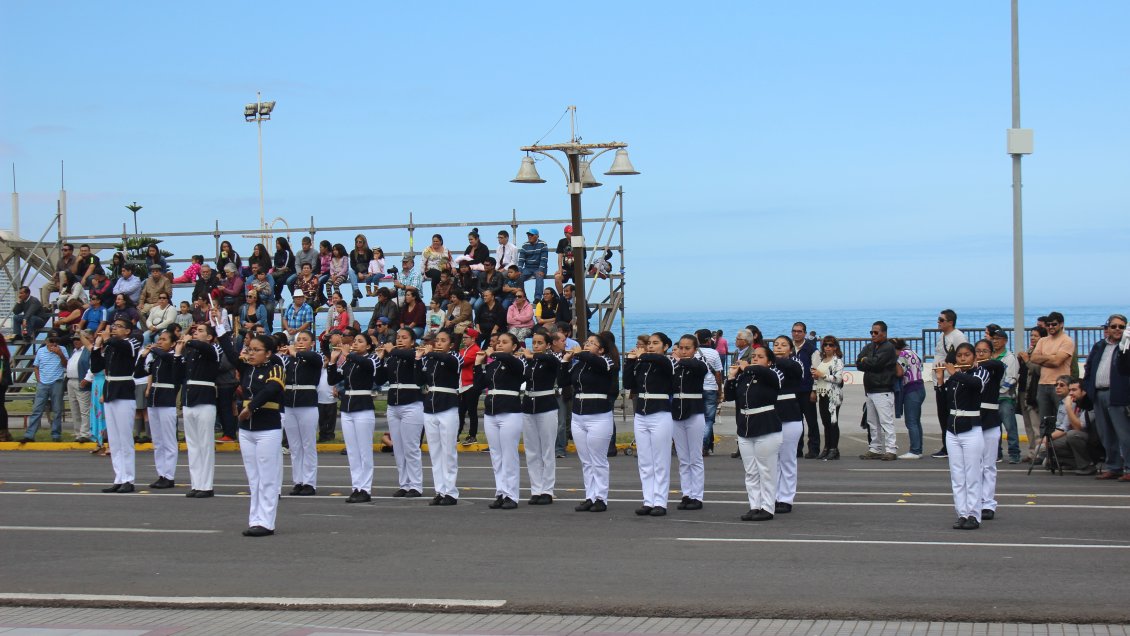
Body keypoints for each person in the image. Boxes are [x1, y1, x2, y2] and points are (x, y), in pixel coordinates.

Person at [231, 333, 285, 537]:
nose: (251, 353)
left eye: (257, 350)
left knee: (267, 477)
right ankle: (255, 519)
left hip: (267, 429)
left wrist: (251, 407)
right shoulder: (247, 369)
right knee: (254, 478)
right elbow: (229, 352)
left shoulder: (276, 368)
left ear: (268, 353)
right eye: (249, 349)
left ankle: (266, 522)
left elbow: (271, 390)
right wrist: (220, 327)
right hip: (247, 430)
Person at [724, 346, 784, 522]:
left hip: (766, 426)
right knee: (750, 471)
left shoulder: (773, 374)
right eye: (754, 356)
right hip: (746, 427)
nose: (755, 359)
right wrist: (732, 377)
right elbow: (729, 396)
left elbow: (764, 373)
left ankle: (767, 507)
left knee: (766, 470)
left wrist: (748, 367)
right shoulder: (745, 376)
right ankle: (754, 505)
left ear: (769, 361)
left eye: (760, 357)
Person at [565, 331, 619, 513]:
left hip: (598, 416)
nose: (586, 344)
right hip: (578, 415)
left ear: (601, 349)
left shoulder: (606, 361)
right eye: (586, 342)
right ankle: (590, 496)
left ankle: (601, 498)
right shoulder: (579, 364)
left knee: (598, 460)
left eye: (591, 343)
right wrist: (565, 361)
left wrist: (580, 353)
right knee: (586, 461)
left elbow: (597, 363)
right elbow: (564, 381)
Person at [624, 333, 676, 517]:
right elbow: (628, 383)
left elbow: (662, 363)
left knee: (660, 460)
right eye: (649, 343)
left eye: (656, 343)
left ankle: (660, 501)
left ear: (665, 346)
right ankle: (648, 500)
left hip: (660, 413)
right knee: (645, 460)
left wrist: (643, 355)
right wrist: (630, 362)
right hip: (641, 414)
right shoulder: (642, 363)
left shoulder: (668, 362)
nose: (651, 346)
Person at [473, 333, 526, 510]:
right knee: (496, 456)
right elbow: (479, 385)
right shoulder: (493, 364)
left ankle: (511, 495)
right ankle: (501, 492)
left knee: (509, 455)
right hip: (491, 413)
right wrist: (478, 365)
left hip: (509, 412)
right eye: (498, 342)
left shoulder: (517, 362)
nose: (500, 345)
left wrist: (493, 354)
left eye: (505, 342)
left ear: (514, 346)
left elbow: (508, 360)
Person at [174, 320, 226, 498]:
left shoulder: (213, 349)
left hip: (204, 399)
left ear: (209, 336)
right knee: (193, 445)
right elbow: (178, 374)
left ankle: (206, 485)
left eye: (201, 330)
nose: (196, 332)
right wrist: (178, 354)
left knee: (205, 444)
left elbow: (205, 348)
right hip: (189, 399)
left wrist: (189, 341)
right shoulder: (191, 352)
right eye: (195, 330)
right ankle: (196, 483)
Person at [90, 319, 142, 492]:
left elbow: (124, 348)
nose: (114, 329)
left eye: (119, 327)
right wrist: (97, 347)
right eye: (114, 326)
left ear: (127, 331)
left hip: (124, 392)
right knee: (114, 439)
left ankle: (129, 479)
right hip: (110, 390)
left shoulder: (132, 342)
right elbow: (96, 366)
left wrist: (107, 339)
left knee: (125, 438)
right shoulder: (111, 346)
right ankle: (119, 477)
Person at [328, 331, 380, 503]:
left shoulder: (372, 359)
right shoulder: (349, 361)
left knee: (364, 450)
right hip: (347, 407)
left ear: (368, 345)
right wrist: (333, 361)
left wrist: (348, 354)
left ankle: (365, 489)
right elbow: (332, 380)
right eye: (354, 341)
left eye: (360, 341)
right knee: (352, 451)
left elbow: (368, 366)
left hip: (363, 406)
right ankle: (356, 487)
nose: (355, 343)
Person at [942, 342, 988, 530]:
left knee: (973, 474)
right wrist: (941, 382)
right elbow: (944, 404)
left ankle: (974, 515)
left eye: (967, 355)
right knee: (957, 475)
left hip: (971, 429)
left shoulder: (980, 372)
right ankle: (962, 513)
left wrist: (955, 374)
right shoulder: (954, 378)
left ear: (974, 357)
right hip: (952, 430)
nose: (962, 358)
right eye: (959, 355)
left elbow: (976, 385)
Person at [376, 329, 426, 498]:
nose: (400, 340)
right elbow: (379, 379)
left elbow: (411, 357)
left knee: (411, 447)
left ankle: (416, 485)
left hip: (412, 404)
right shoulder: (392, 357)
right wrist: (381, 359)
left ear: (412, 341)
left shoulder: (416, 355)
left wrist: (393, 351)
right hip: (393, 406)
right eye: (398, 337)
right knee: (398, 448)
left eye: (404, 338)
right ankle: (404, 484)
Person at [418, 330, 463, 505]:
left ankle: (451, 492)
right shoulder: (429, 359)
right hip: (430, 406)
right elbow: (419, 380)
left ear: (451, 345)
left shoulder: (455, 357)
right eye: (437, 340)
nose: (438, 343)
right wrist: (418, 360)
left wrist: (430, 354)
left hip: (448, 406)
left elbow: (450, 362)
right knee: (435, 452)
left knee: (448, 451)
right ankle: (440, 490)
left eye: (443, 341)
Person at [1084, 314, 1130, 481]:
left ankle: (1129, 468)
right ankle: (1113, 467)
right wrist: (1088, 387)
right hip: (1099, 394)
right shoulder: (1099, 346)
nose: (1117, 329)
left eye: (1121, 327)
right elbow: (1089, 367)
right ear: (1107, 328)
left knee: (1124, 434)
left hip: (1119, 395)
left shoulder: (1126, 347)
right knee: (1106, 434)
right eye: (1114, 326)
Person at [520, 330, 563, 504]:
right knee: (532, 451)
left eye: (540, 343)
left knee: (547, 450)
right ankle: (536, 489)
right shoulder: (529, 361)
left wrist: (532, 356)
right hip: (528, 406)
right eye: (534, 343)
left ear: (548, 345)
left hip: (546, 406)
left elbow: (553, 362)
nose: (536, 346)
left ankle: (547, 490)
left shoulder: (551, 359)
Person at [668, 334, 708, 509]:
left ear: (695, 349)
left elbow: (699, 368)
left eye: (687, 348)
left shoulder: (699, 363)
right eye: (680, 348)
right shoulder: (674, 365)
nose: (683, 351)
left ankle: (697, 496)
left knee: (695, 457)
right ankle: (686, 493)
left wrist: (679, 360)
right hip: (676, 413)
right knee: (683, 458)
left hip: (694, 411)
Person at [280, 331, 322, 496]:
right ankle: (298, 481)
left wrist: (295, 353)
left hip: (307, 404)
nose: (300, 342)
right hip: (289, 404)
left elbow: (313, 359)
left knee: (308, 444)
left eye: (305, 340)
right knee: (294, 446)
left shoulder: (315, 357)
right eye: (298, 340)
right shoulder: (289, 359)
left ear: (312, 343)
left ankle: (309, 482)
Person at [138, 330, 179, 489]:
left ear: (173, 343)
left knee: (168, 440)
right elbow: (139, 372)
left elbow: (168, 358)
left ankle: (169, 475)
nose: (160, 341)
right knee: (158, 441)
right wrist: (143, 356)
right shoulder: (156, 358)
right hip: (154, 400)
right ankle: (161, 474)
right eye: (159, 339)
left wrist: (154, 349)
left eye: (164, 339)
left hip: (166, 400)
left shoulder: (174, 357)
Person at [770, 336, 804, 514]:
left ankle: (786, 498)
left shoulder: (795, 363)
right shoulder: (768, 366)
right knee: (772, 461)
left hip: (790, 417)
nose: (779, 348)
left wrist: (770, 358)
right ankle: (773, 496)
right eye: (776, 345)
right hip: (770, 417)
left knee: (787, 460)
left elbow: (792, 369)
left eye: (783, 345)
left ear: (790, 349)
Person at [856, 321, 899, 460]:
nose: (873, 335)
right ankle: (875, 448)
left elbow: (876, 363)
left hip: (883, 389)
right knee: (872, 422)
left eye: (876, 332)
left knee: (886, 421)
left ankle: (891, 449)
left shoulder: (888, 347)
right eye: (871, 332)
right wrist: (866, 360)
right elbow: (858, 363)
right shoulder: (869, 346)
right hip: (870, 389)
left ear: (884, 333)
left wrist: (866, 360)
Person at [973, 339, 1005, 519]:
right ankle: (975, 501)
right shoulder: (970, 372)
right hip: (973, 422)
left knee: (988, 465)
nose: (980, 354)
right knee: (974, 465)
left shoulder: (995, 369)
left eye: (984, 351)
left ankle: (988, 503)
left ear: (991, 353)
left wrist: (978, 363)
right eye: (977, 351)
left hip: (991, 421)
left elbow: (998, 364)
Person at [931, 309, 968, 459]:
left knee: (950, 414)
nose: (938, 322)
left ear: (950, 322)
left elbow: (964, 356)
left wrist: (955, 374)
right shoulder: (941, 336)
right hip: (940, 381)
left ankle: (951, 446)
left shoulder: (958, 336)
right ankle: (946, 445)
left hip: (950, 381)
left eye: (941, 320)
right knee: (942, 414)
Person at [1026, 311, 1075, 420]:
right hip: (1042, 384)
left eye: (1054, 324)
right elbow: (1033, 358)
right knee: (1044, 420)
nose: (1050, 327)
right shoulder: (1042, 340)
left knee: (1061, 419)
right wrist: (1052, 357)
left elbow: (1057, 362)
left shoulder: (1067, 341)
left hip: (1060, 384)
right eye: (1048, 325)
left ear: (1061, 324)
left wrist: (1043, 358)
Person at [1046, 376, 1097, 473]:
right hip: (1079, 438)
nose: (1070, 393)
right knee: (1050, 446)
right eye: (1070, 390)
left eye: (1074, 390)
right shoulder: (1074, 402)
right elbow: (1064, 426)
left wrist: (1068, 407)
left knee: (1072, 435)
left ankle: (1086, 466)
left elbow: (1078, 427)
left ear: (1084, 391)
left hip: (1092, 441)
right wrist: (1047, 439)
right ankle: (1076, 462)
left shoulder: (1090, 404)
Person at [22, 336, 68, 442]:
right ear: (47, 341)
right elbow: (36, 366)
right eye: (52, 341)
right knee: (37, 409)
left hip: (57, 382)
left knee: (57, 410)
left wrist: (60, 354)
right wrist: (39, 379)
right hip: (43, 383)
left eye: (56, 341)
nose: (54, 343)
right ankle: (29, 435)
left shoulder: (62, 349)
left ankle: (56, 435)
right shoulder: (41, 351)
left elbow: (66, 365)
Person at [791, 322, 821, 459]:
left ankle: (814, 449)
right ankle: (797, 449)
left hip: (807, 390)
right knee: (795, 422)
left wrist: (814, 390)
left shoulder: (812, 350)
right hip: (792, 390)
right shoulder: (789, 348)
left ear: (804, 333)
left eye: (799, 331)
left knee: (811, 421)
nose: (796, 333)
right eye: (794, 331)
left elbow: (815, 371)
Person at [812, 335, 845, 460]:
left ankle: (833, 449)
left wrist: (823, 375)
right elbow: (818, 377)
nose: (828, 347)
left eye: (830, 345)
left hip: (833, 395)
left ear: (835, 347)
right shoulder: (822, 360)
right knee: (826, 422)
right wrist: (815, 382)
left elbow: (838, 379)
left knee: (833, 422)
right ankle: (827, 447)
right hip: (822, 393)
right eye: (825, 345)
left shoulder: (837, 361)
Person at [892, 337, 925, 459]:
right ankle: (918, 449)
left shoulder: (902, 355)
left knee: (911, 421)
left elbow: (899, 372)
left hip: (911, 389)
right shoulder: (912, 352)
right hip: (920, 387)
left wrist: (893, 361)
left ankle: (915, 451)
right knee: (916, 421)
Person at [1018, 326, 1047, 463]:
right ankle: (1031, 452)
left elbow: (1039, 370)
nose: (1033, 338)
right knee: (1028, 424)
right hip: (1024, 390)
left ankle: (1039, 453)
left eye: (1036, 336)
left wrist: (1027, 361)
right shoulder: (1029, 350)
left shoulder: (1041, 353)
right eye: (1031, 335)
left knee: (1036, 425)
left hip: (1034, 391)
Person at [695, 329, 724, 456]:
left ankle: (697, 445)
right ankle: (703, 445)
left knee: (696, 418)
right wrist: (720, 390)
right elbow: (718, 373)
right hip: (710, 388)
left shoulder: (694, 352)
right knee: (709, 419)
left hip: (696, 388)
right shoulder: (714, 353)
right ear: (708, 340)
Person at [66, 332, 93, 443]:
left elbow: (93, 366)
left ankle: (85, 433)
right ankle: (78, 433)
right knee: (74, 409)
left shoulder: (88, 350)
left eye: (78, 339)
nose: (75, 341)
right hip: (71, 381)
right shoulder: (74, 351)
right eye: (74, 339)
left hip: (81, 381)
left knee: (84, 409)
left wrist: (87, 379)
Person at [457, 328, 482, 446]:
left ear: (473, 339)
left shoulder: (476, 350)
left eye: (466, 338)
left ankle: (472, 435)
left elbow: (461, 362)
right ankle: (457, 434)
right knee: (460, 411)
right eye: (463, 338)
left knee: (472, 411)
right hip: (463, 385)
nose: (463, 340)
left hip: (471, 385)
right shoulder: (463, 350)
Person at [517, 228, 549, 299]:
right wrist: (519, 270)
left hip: (539, 267)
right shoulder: (525, 245)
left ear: (537, 236)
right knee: (519, 277)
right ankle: (523, 297)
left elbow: (544, 259)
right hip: (528, 268)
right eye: (528, 235)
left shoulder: (543, 244)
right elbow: (521, 259)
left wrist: (541, 270)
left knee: (539, 276)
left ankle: (537, 298)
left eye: (531, 235)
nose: (529, 236)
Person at [348, 234, 374, 305]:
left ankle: (354, 298)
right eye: (357, 242)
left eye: (360, 242)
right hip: (357, 273)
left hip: (367, 273)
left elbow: (371, 263)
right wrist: (359, 273)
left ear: (364, 242)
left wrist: (368, 273)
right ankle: (357, 290)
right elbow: (352, 265)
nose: (358, 243)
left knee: (352, 279)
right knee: (350, 271)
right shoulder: (353, 252)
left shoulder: (369, 252)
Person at [553, 224, 576, 294]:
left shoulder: (578, 241)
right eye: (570, 233)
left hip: (577, 267)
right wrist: (560, 269)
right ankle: (561, 297)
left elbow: (583, 256)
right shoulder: (562, 242)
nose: (572, 235)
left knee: (578, 278)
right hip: (566, 267)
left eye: (573, 233)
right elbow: (560, 256)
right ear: (565, 234)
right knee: (557, 277)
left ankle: (579, 296)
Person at [0, 334, 12, 442]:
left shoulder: (1, 355)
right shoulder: (4, 353)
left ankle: (3, 433)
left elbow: (1, 372)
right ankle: (4, 432)